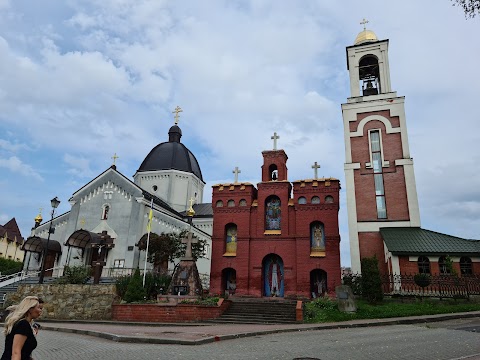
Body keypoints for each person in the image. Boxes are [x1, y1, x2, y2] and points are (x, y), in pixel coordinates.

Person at [1, 296, 42, 360]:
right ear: (30, 309)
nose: (40, 310)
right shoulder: (23, 324)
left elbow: (23, 350)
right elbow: (16, 353)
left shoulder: (24, 323)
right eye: (39, 308)